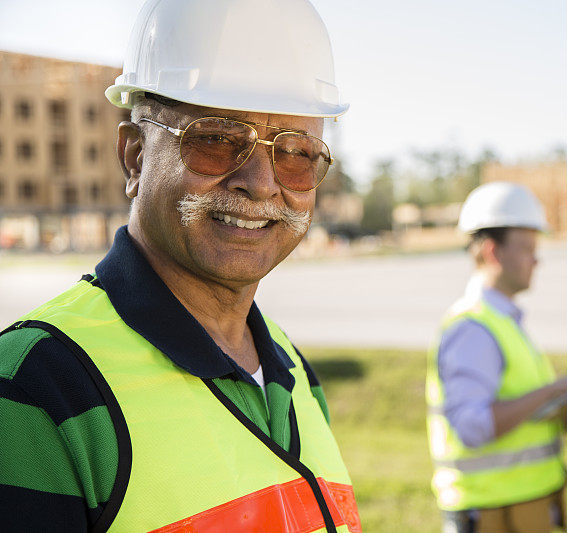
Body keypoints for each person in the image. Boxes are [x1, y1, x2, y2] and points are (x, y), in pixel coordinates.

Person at [0, 1, 361, 531]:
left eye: (297, 154)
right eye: (216, 140)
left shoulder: (292, 370)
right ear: (135, 155)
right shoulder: (37, 390)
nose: (261, 183)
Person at [426, 182, 567, 533]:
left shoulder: (501, 321)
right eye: (527, 248)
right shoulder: (473, 328)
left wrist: (561, 415)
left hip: (521, 507)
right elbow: (473, 427)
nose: (537, 259)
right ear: (493, 252)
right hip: (493, 514)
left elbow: (515, 407)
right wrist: (556, 389)